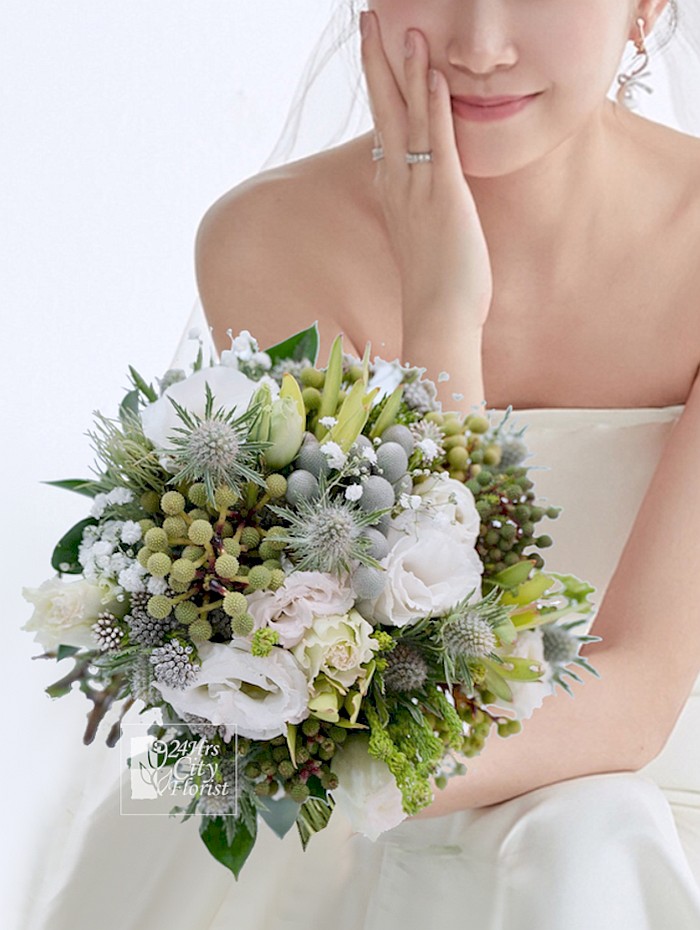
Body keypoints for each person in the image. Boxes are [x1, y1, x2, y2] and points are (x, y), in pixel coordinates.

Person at [22, 1, 700, 927]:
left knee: (583, 837)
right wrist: (443, 312)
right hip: (365, 780)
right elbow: (411, 663)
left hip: (633, 785)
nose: (482, 46)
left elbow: (639, 695)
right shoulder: (270, 236)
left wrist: (362, 777)